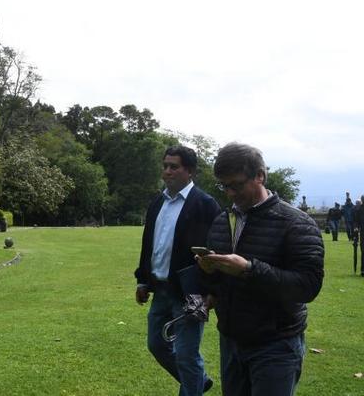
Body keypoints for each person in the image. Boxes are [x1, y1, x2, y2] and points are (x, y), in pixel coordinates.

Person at [198, 143, 324, 395]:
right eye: (225, 186)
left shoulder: (297, 223)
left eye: (237, 184)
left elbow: (307, 286)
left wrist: (249, 269)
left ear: (260, 175)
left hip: (276, 345)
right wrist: (210, 277)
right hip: (231, 340)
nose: (231, 193)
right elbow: (220, 280)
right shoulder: (222, 220)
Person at [135, 146, 221, 395]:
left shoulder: (205, 204)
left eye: (174, 166)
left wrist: (211, 292)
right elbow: (148, 244)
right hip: (161, 290)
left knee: (186, 354)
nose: (167, 171)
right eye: (165, 166)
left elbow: (215, 251)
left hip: (192, 293)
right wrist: (143, 281)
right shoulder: (157, 202)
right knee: (156, 345)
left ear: (190, 171)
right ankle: (198, 381)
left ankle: (192, 385)